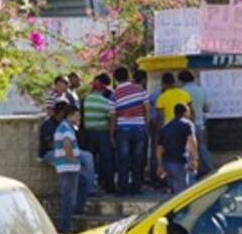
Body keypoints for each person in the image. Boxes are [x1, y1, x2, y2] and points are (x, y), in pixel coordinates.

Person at [113, 66, 150, 196]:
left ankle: (123, 189)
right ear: (128, 76)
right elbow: (146, 108)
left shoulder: (115, 93)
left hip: (123, 128)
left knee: (123, 159)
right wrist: (145, 125)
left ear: (116, 78)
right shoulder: (140, 89)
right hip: (139, 127)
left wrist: (113, 132)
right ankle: (136, 187)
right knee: (138, 159)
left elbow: (113, 114)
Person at [53, 103, 83, 234]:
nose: (79, 117)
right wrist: (71, 158)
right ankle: (66, 227)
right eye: (77, 115)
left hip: (66, 166)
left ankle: (66, 225)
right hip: (68, 167)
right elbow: (66, 143)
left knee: (67, 197)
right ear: (70, 115)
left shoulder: (66, 127)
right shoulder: (66, 128)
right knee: (68, 198)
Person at [83, 74, 116, 193]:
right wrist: (112, 135)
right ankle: (109, 186)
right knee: (106, 160)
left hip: (89, 133)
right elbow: (112, 119)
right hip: (103, 133)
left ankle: (90, 186)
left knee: (90, 161)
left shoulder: (85, 100)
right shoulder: (106, 102)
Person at [156, 103, 198, 194]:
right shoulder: (187, 124)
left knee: (172, 192)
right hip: (180, 162)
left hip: (167, 162)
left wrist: (160, 165)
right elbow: (192, 141)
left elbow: (159, 148)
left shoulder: (165, 127)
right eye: (189, 112)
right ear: (185, 112)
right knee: (182, 193)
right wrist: (195, 159)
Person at [178, 70, 213, 176]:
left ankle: (192, 171)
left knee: (188, 149)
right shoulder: (201, 90)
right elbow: (207, 108)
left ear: (181, 80)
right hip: (200, 123)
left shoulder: (182, 91)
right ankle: (208, 169)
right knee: (202, 148)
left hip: (187, 124)